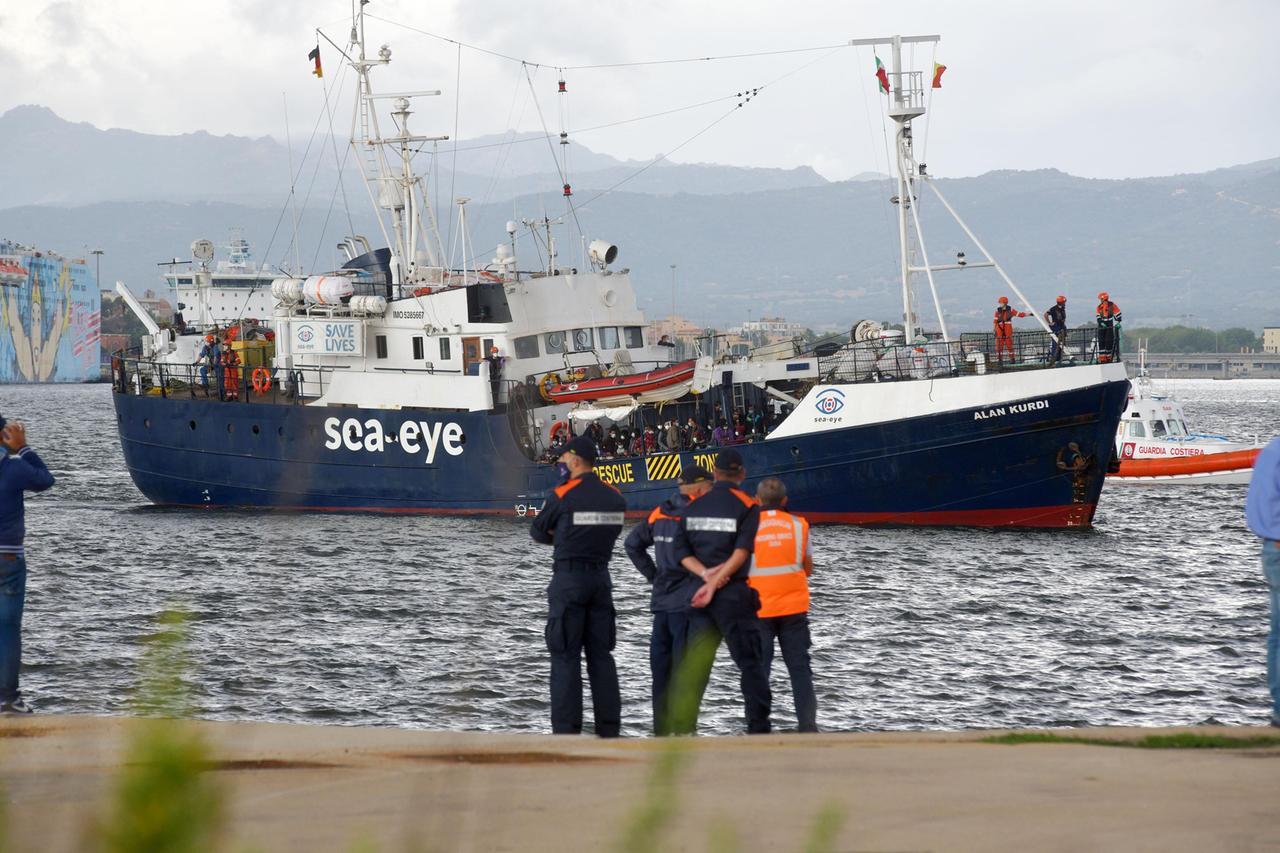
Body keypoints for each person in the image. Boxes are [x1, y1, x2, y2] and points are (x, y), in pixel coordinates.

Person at [530, 436, 627, 737]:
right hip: (601, 580)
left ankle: (566, 732)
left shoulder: (563, 495)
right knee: (601, 657)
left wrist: (562, 537)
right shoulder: (615, 497)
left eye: (562, 459)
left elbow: (537, 531)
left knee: (565, 657)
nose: (559, 464)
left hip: (569, 580)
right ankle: (609, 730)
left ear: (574, 460)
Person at [673, 448, 772, 734]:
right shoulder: (748, 506)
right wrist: (719, 579)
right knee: (751, 664)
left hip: (700, 595)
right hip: (733, 597)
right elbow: (742, 552)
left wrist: (706, 576)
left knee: (695, 667)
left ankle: (684, 729)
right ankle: (758, 729)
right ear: (742, 474)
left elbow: (680, 552)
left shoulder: (693, 506)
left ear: (714, 474)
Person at [625, 465, 714, 735]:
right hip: (689, 604)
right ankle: (684, 732)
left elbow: (632, 544)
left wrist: (655, 577)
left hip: (661, 604)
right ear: (700, 487)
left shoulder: (661, 511)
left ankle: (660, 733)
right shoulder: (700, 515)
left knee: (660, 673)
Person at [747, 478, 817, 732]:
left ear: (757, 500)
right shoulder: (800, 526)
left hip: (759, 609)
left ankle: (758, 727)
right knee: (800, 670)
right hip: (793, 609)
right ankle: (808, 727)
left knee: (759, 672)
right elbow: (807, 569)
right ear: (785, 501)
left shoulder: (748, 527)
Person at [0, 416, 55, 714]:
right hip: (7, 557)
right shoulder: (14, 467)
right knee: (7, 627)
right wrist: (23, 448)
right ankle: (8, 698)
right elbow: (46, 480)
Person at [1245, 436, 1280, 728]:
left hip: (1274, 547)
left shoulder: (1271, 452)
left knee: (1277, 634)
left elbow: (1257, 506)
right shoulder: (1275, 454)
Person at [993, 296, 1027, 362]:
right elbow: (995, 321)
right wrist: (994, 330)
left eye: (1001, 303)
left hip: (1007, 330)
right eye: (1000, 303)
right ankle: (999, 359)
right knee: (999, 346)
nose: (1000, 304)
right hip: (999, 330)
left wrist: (1029, 314)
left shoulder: (1011, 310)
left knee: (1009, 345)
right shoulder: (997, 311)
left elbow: (1020, 315)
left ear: (1005, 303)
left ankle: (1012, 359)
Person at [1096, 292, 1122, 362]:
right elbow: (1098, 317)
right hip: (1102, 326)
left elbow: (1118, 314)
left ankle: (1108, 357)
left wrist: (1118, 322)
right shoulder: (1099, 307)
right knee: (1101, 341)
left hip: (1109, 325)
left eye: (1101, 299)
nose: (1100, 301)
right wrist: (1101, 323)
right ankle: (1102, 358)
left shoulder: (1112, 305)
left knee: (1109, 341)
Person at [1044, 295, 1068, 364]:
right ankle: (1054, 358)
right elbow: (1045, 314)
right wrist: (1050, 323)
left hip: (1062, 327)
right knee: (1056, 342)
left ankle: (1059, 357)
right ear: (1061, 302)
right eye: (1064, 302)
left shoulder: (1063, 308)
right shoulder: (1053, 309)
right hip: (1056, 327)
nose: (1065, 303)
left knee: (1062, 343)